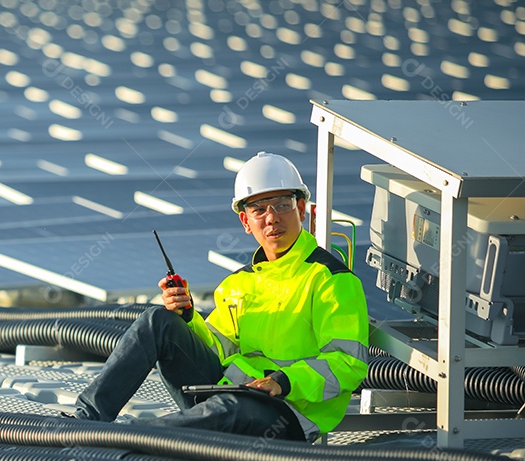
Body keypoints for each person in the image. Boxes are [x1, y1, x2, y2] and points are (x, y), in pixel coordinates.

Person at [73, 152, 369, 442]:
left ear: (301, 209)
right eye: (259, 210)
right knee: (157, 321)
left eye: (282, 205)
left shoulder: (331, 279)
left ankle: (127, 437)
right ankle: (86, 420)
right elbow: (216, 350)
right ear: (245, 221)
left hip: (287, 413)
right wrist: (187, 316)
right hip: (231, 392)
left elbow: (348, 364)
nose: (272, 218)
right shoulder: (238, 283)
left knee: (230, 409)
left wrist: (284, 381)